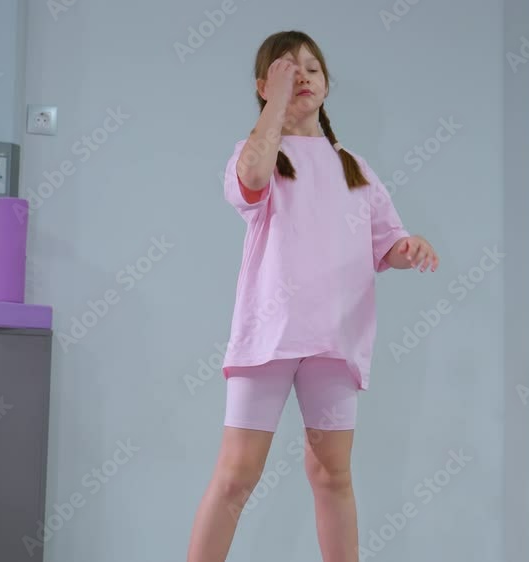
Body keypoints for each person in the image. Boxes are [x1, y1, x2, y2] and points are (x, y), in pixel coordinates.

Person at [187, 30, 440, 562]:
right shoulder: (259, 154)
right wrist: (275, 105)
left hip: (335, 340)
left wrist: (407, 247)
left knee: (332, 474)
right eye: (286, 69)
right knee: (236, 476)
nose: (302, 75)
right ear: (263, 86)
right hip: (270, 337)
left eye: (312, 68)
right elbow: (250, 177)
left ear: (327, 85)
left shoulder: (354, 165)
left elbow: (385, 243)